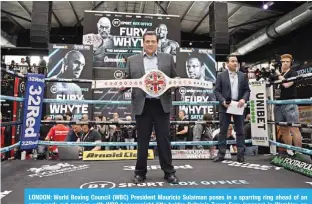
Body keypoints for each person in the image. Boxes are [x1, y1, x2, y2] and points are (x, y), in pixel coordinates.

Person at [121, 31, 179, 184]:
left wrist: (177, 82)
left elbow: (174, 78)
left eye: (153, 41)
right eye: (147, 41)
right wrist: (121, 86)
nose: (150, 44)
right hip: (143, 105)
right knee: (142, 141)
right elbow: (127, 81)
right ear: (143, 43)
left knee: (164, 140)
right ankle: (140, 173)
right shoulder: (132, 60)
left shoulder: (168, 58)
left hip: (162, 105)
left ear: (157, 43)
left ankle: (169, 172)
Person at [213, 55, 250, 163]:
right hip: (225, 105)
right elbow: (216, 91)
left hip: (238, 105)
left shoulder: (243, 75)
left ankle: (240, 155)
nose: (235, 63)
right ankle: (221, 154)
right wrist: (223, 101)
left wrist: (243, 99)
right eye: (232, 61)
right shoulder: (221, 75)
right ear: (227, 64)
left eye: (236, 61)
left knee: (240, 131)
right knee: (223, 131)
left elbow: (247, 90)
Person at [274, 54, 302, 156]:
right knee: (283, 129)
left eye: (287, 61)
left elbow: (286, 85)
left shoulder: (293, 73)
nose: (285, 63)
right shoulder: (279, 74)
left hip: (289, 103)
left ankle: (299, 152)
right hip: (278, 104)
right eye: (283, 61)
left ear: (291, 63)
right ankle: (289, 151)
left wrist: (277, 74)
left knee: (294, 128)